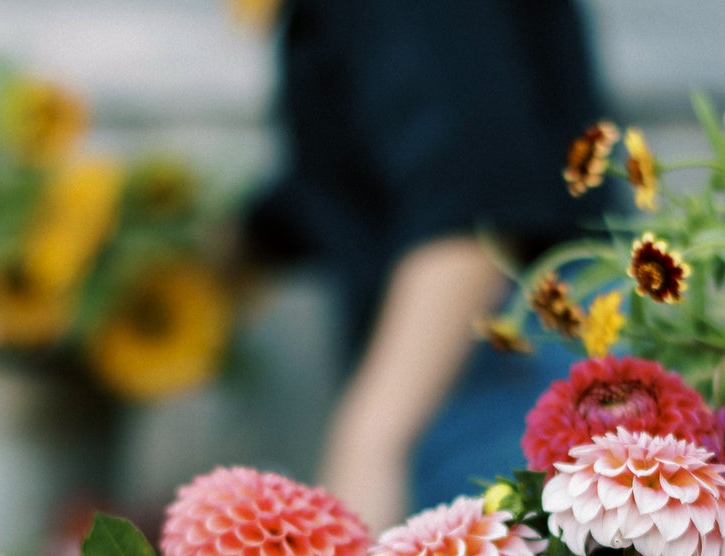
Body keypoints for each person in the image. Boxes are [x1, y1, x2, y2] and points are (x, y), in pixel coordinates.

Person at [244, 0, 612, 529]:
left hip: (500, 379)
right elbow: (354, 179)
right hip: (498, 364)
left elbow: (472, 220)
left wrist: (370, 445)